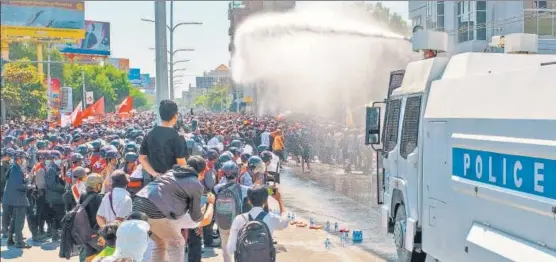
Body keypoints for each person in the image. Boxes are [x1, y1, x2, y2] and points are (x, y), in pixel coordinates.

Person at [132, 155, 212, 262]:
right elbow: (196, 217)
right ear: (202, 172)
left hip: (138, 206)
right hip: (154, 211)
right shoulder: (195, 183)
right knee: (177, 242)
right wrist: (209, 203)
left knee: (161, 242)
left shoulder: (171, 172)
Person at [226, 185, 289, 255]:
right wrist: (279, 200)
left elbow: (230, 249)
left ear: (249, 201)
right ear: (265, 201)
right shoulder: (271, 218)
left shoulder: (239, 219)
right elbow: (285, 222)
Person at [139, 100, 188, 182]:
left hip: (153, 182)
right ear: (175, 115)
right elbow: (181, 165)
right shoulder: (178, 137)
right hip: (172, 183)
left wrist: (155, 174)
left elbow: (142, 158)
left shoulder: (149, 134)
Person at [213, 161, 250, 262]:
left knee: (225, 246)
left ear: (224, 174)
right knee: (237, 246)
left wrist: (222, 178)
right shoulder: (242, 189)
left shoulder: (218, 188)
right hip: (237, 222)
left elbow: (218, 186)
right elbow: (253, 190)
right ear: (237, 174)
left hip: (221, 222)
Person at [1, 150, 33, 248]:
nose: (25, 161)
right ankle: (19, 242)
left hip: (14, 199)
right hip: (17, 199)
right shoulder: (15, 169)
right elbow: (18, 185)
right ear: (19, 159)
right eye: (23, 159)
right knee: (19, 221)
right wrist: (29, 186)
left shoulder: (14, 168)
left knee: (14, 220)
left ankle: (10, 239)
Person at [79, 174, 105, 262]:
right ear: (97, 185)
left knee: (85, 256)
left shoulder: (82, 195)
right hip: (96, 232)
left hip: (84, 232)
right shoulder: (99, 197)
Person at [45, 150, 66, 242]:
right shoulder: (51, 169)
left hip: (57, 196)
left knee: (58, 216)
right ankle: (58, 235)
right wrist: (64, 187)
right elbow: (52, 185)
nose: (59, 160)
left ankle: (55, 235)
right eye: (57, 158)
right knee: (59, 216)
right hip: (55, 197)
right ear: (53, 159)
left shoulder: (56, 168)